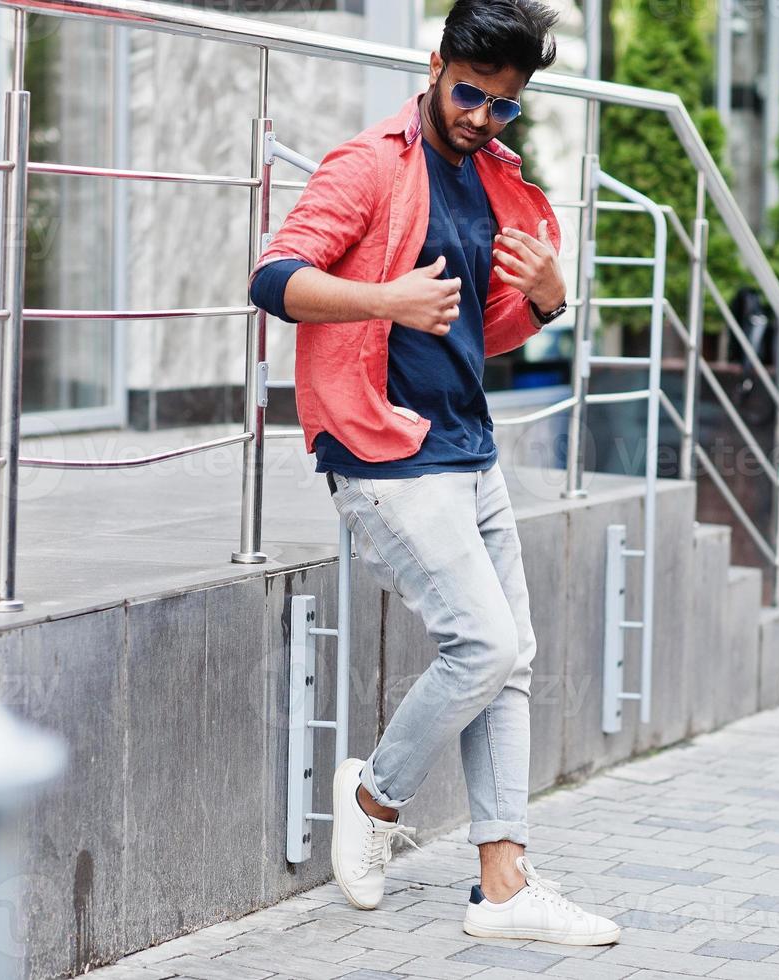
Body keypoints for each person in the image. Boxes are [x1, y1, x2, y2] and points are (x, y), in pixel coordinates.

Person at [248, 0, 620, 947]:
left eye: (505, 106)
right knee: (485, 646)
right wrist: (385, 296)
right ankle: (374, 803)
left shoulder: (489, 174)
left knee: (512, 660)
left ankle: (504, 885)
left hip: (468, 443)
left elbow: (468, 331)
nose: (482, 118)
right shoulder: (369, 164)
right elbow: (270, 278)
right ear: (435, 62)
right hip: (385, 450)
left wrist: (545, 304)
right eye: (468, 94)